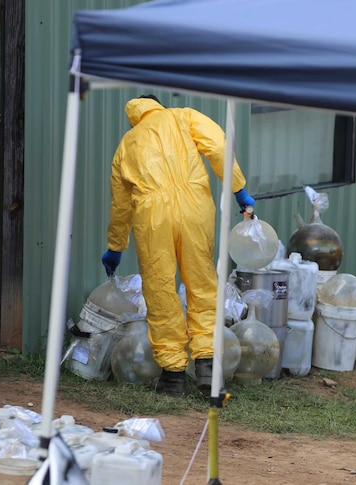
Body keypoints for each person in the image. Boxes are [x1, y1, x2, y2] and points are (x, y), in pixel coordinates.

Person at [100, 95, 255, 397]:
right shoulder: (183, 116)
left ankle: (173, 376)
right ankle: (207, 365)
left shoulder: (127, 144)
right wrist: (239, 189)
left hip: (152, 216)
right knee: (202, 283)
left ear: (136, 116)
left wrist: (116, 246)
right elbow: (219, 147)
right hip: (195, 206)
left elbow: (121, 205)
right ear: (157, 105)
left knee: (160, 289)